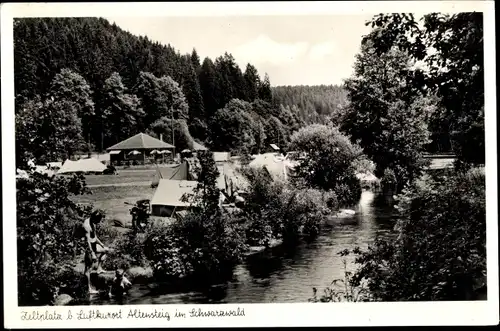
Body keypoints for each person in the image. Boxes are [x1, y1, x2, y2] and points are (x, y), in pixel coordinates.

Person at [73, 210, 110, 294]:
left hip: (92, 244)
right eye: (98, 220)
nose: (99, 222)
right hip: (87, 247)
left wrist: (102, 245)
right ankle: (89, 289)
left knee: (105, 250)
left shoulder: (93, 222)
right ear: (94, 219)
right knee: (88, 269)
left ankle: (99, 269)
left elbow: (94, 237)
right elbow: (88, 242)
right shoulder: (86, 226)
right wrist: (93, 254)